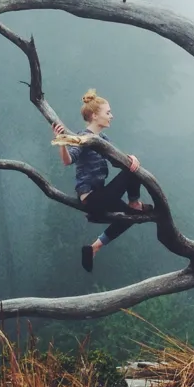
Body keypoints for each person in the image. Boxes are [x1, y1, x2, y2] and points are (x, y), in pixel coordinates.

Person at [54, 89, 154, 272]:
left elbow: (118, 160)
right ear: (94, 116)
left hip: (102, 195)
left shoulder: (103, 139)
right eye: (108, 113)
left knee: (132, 217)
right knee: (132, 173)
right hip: (91, 198)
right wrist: (61, 143)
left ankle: (94, 247)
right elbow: (68, 160)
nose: (111, 116)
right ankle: (134, 203)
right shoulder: (83, 137)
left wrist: (131, 158)